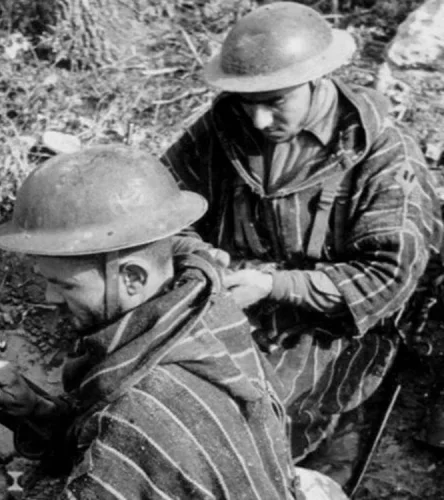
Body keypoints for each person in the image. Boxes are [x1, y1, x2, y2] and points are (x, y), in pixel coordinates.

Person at [160, 1, 444, 488]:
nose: (259, 122)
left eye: (275, 102)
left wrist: (275, 284)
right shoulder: (225, 126)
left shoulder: (381, 155)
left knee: (270, 430)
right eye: (249, 102)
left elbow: (387, 277)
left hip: (336, 322)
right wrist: (199, 255)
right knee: (169, 401)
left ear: (319, 80)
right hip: (232, 297)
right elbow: (165, 202)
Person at [0, 144, 346, 499]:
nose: (51, 298)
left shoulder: (137, 415)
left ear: (133, 278)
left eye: (64, 284)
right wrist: (36, 409)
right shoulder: (203, 307)